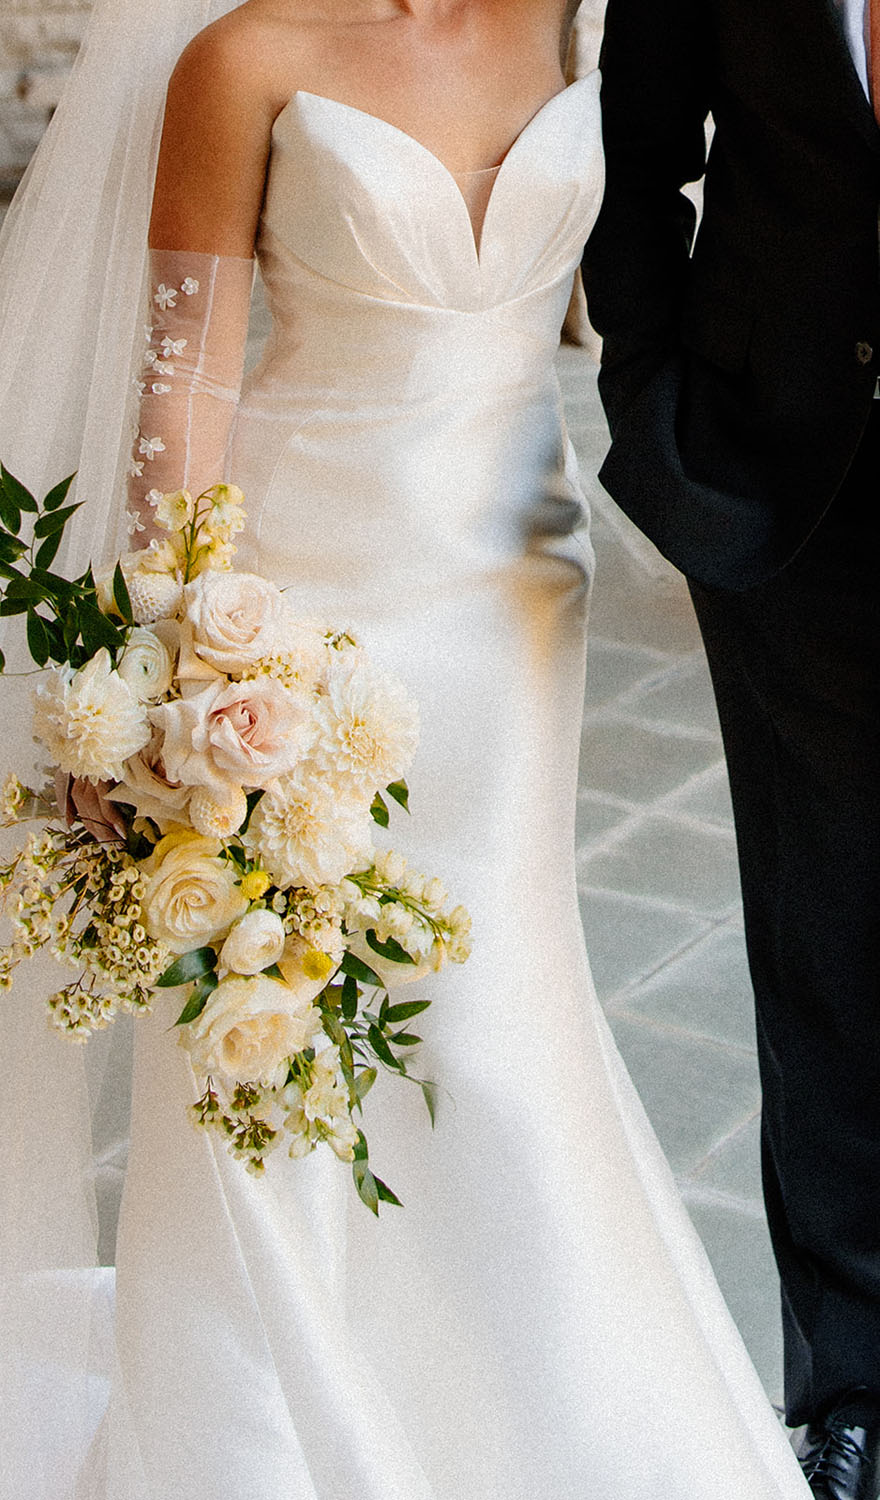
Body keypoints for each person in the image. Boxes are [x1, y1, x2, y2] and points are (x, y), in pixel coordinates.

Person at [0, 1, 810, 1495]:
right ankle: (256, 1414)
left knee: (499, 1008)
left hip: (514, 601)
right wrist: (170, 666)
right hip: (301, 611)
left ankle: (530, 1399)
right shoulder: (244, 58)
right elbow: (180, 391)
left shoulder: (579, 27)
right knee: (277, 1007)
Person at [580, 3, 880, 1497]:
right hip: (793, 491)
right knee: (825, 945)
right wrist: (657, 400)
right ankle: (853, 1392)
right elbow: (637, 160)